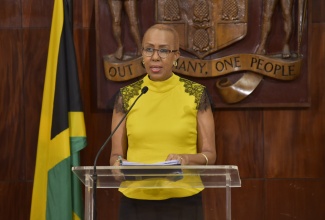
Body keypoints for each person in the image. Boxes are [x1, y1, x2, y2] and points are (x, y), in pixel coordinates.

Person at [110, 24, 216, 220]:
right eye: (149, 49)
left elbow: (210, 154)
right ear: (142, 53)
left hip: (183, 202)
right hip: (136, 202)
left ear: (176, 55)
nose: (155, 57)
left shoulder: (196, 94)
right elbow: (116, 154)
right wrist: (117, 165)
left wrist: (186, 159)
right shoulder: (127, 96)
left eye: (164, 50)